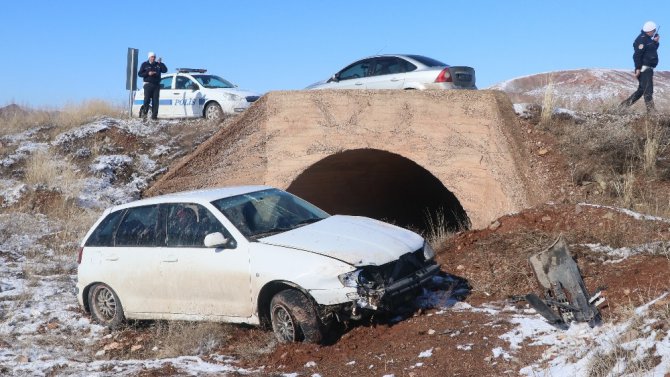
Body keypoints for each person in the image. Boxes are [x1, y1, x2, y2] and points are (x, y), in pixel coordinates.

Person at [620, 21, 660, 114]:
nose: (654, 32)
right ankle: (651, 112)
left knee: (641, 90)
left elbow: (650, 51)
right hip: (644, 68)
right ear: (650, 30)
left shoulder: (648, 39)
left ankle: (622, 107)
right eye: (653, 31)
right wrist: (637, 68)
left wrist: (655, 42)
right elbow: (637, 55)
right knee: (648, 90)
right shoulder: (642, 39)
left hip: (647, 68)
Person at [137, 51, 167, 120]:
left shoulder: (158, 64)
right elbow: (140, 74)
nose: (153, 58)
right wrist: (148, 73)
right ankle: (144, 116)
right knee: (146, 100)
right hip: (148, 85)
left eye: (154, 57)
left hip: (156, 85)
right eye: (152, 57)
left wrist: (161, 63)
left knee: (155, 101)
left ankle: (154, 117)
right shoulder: (145, 64)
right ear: (149, 57)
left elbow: (165, 70)